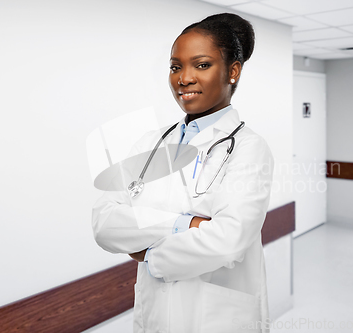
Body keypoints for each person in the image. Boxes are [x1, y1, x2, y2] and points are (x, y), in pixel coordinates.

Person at [92, 12, 274, 333]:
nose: (184, 78)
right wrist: (186, 224)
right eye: (176, 67)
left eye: (201, 65)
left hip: (218, 317)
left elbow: (229, 241)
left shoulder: (248, 148)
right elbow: (105, 223)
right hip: (156, 312)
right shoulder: (150, 143)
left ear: (233, 71)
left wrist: (149, 255)